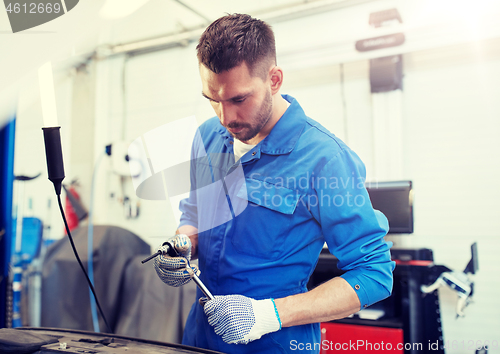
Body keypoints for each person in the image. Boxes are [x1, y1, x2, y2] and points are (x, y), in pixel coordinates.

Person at [154, 13, 395, 354]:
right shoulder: (208, 137)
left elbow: (374, 273)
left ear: (274, 79)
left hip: (275, 343)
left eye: (239, 99)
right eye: (213, 99)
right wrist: (183, 246)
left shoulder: (325, 160)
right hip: (200, 339)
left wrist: (269, 315)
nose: (226, 118)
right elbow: (193, 210)